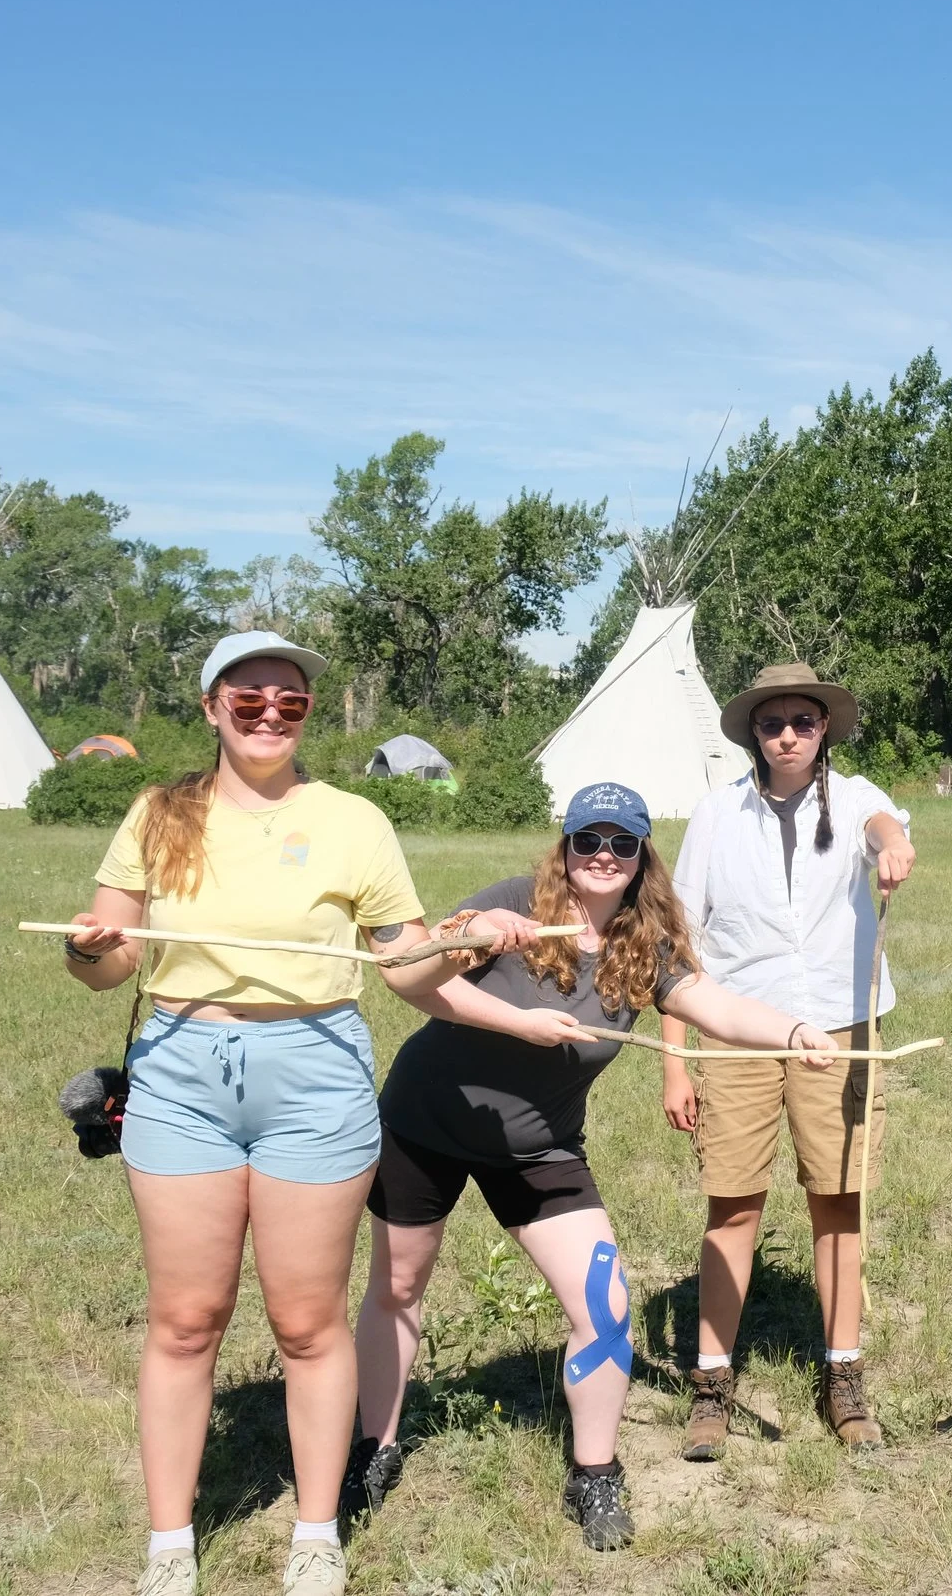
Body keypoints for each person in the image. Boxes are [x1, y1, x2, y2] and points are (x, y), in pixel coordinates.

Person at [62, 632, 453, 1596]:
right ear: (210, 707)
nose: (271, 712)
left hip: (315, 1069)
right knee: (186, 1317)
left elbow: (404, 969)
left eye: (292, 700)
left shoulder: (356, 819)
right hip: (181, 1068)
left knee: (308, 1318)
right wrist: (90, 948)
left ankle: (316, 1532)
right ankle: (169, 1545)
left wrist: (463, 943)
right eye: (249, 697)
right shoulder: (160, 813)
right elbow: (108, 962)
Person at [348, 784, 837, 1551]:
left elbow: (720, 1007)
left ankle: (595, 1472)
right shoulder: (515, 905)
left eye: (621, 841)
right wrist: (467, 935)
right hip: (430, 1122)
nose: (603, 854)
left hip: (539, 1146)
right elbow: (411, 976)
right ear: (565, 848)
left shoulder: (649, 946)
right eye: (588, 840)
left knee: (605, 1303)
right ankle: (370, 1450)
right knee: (399, 1286)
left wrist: (795, 1029)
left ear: (643, 856)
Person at [660, 662, 916, 1456]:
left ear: (825, 727)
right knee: (732, 1201)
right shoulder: (715, 815)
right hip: (736, 1030)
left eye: (804, 720)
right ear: (754, 733)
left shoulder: (860, 796)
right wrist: (676, 1062)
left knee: (838, 1198)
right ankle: (711, 1382)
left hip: (840, 1025)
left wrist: (895, 844)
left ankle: (843, 1373)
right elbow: (678, 941)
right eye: (774, 723)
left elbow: (885, 826)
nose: (789, 734)